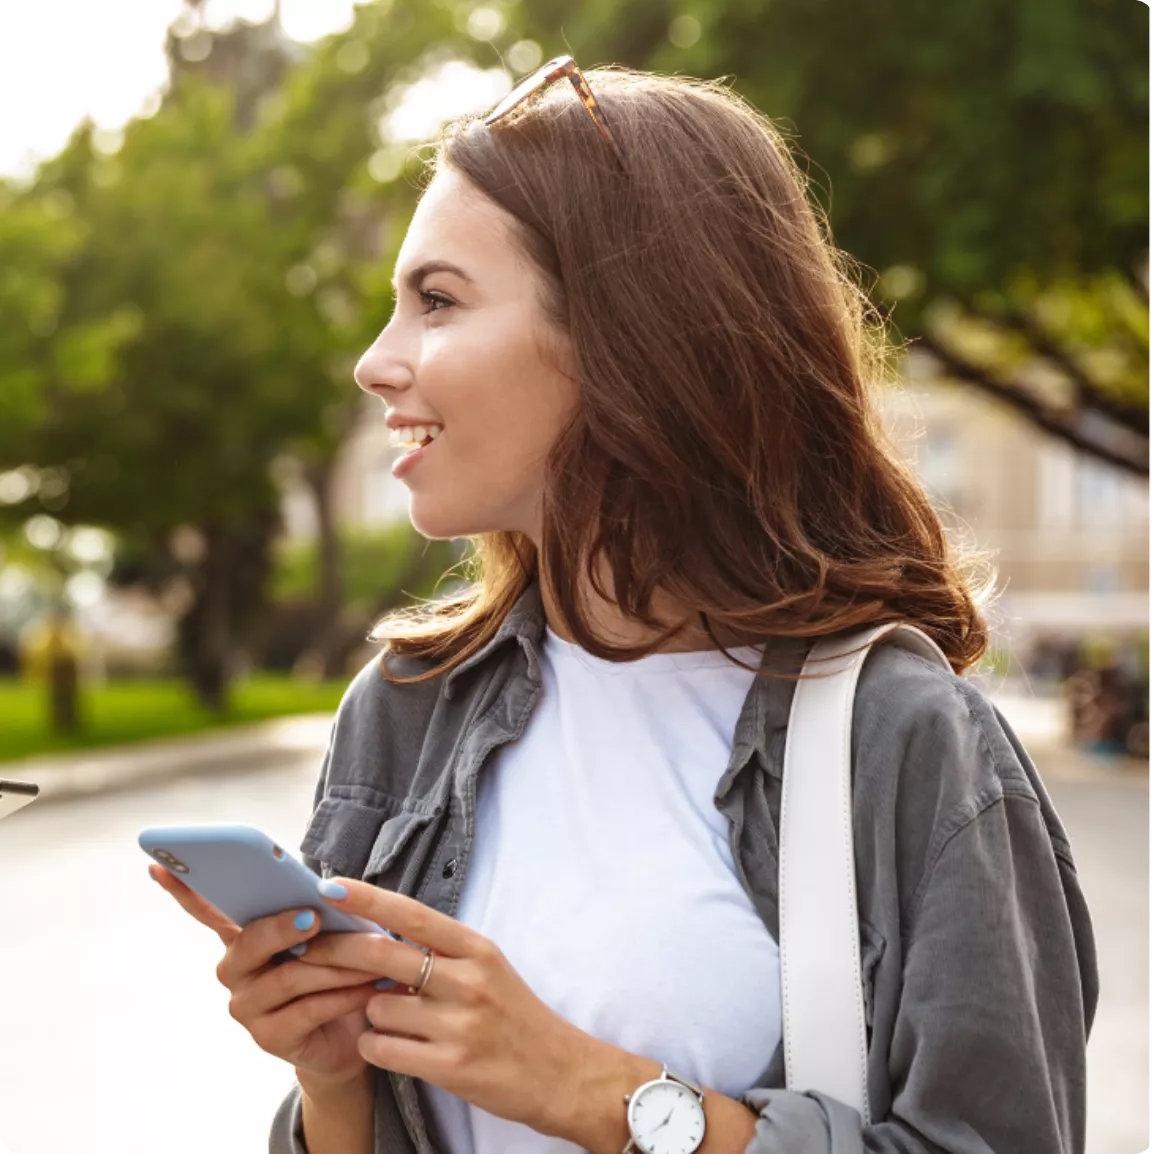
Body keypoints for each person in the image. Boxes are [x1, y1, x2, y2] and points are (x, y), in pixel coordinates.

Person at [151, 60, 1097, 1154]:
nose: (375, 362)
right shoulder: (404, 709)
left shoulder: (901, 741)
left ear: (623, 336)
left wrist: (597, 1094)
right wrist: (333, 1085)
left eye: (439, 301)